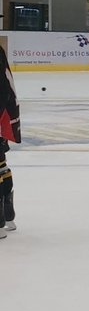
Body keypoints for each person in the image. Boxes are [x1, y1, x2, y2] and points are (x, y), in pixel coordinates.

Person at [0, 43, 19, 237]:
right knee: (1, 166)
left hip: (0, 118)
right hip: (3, 118)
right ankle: (7, 217)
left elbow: (3, 90)